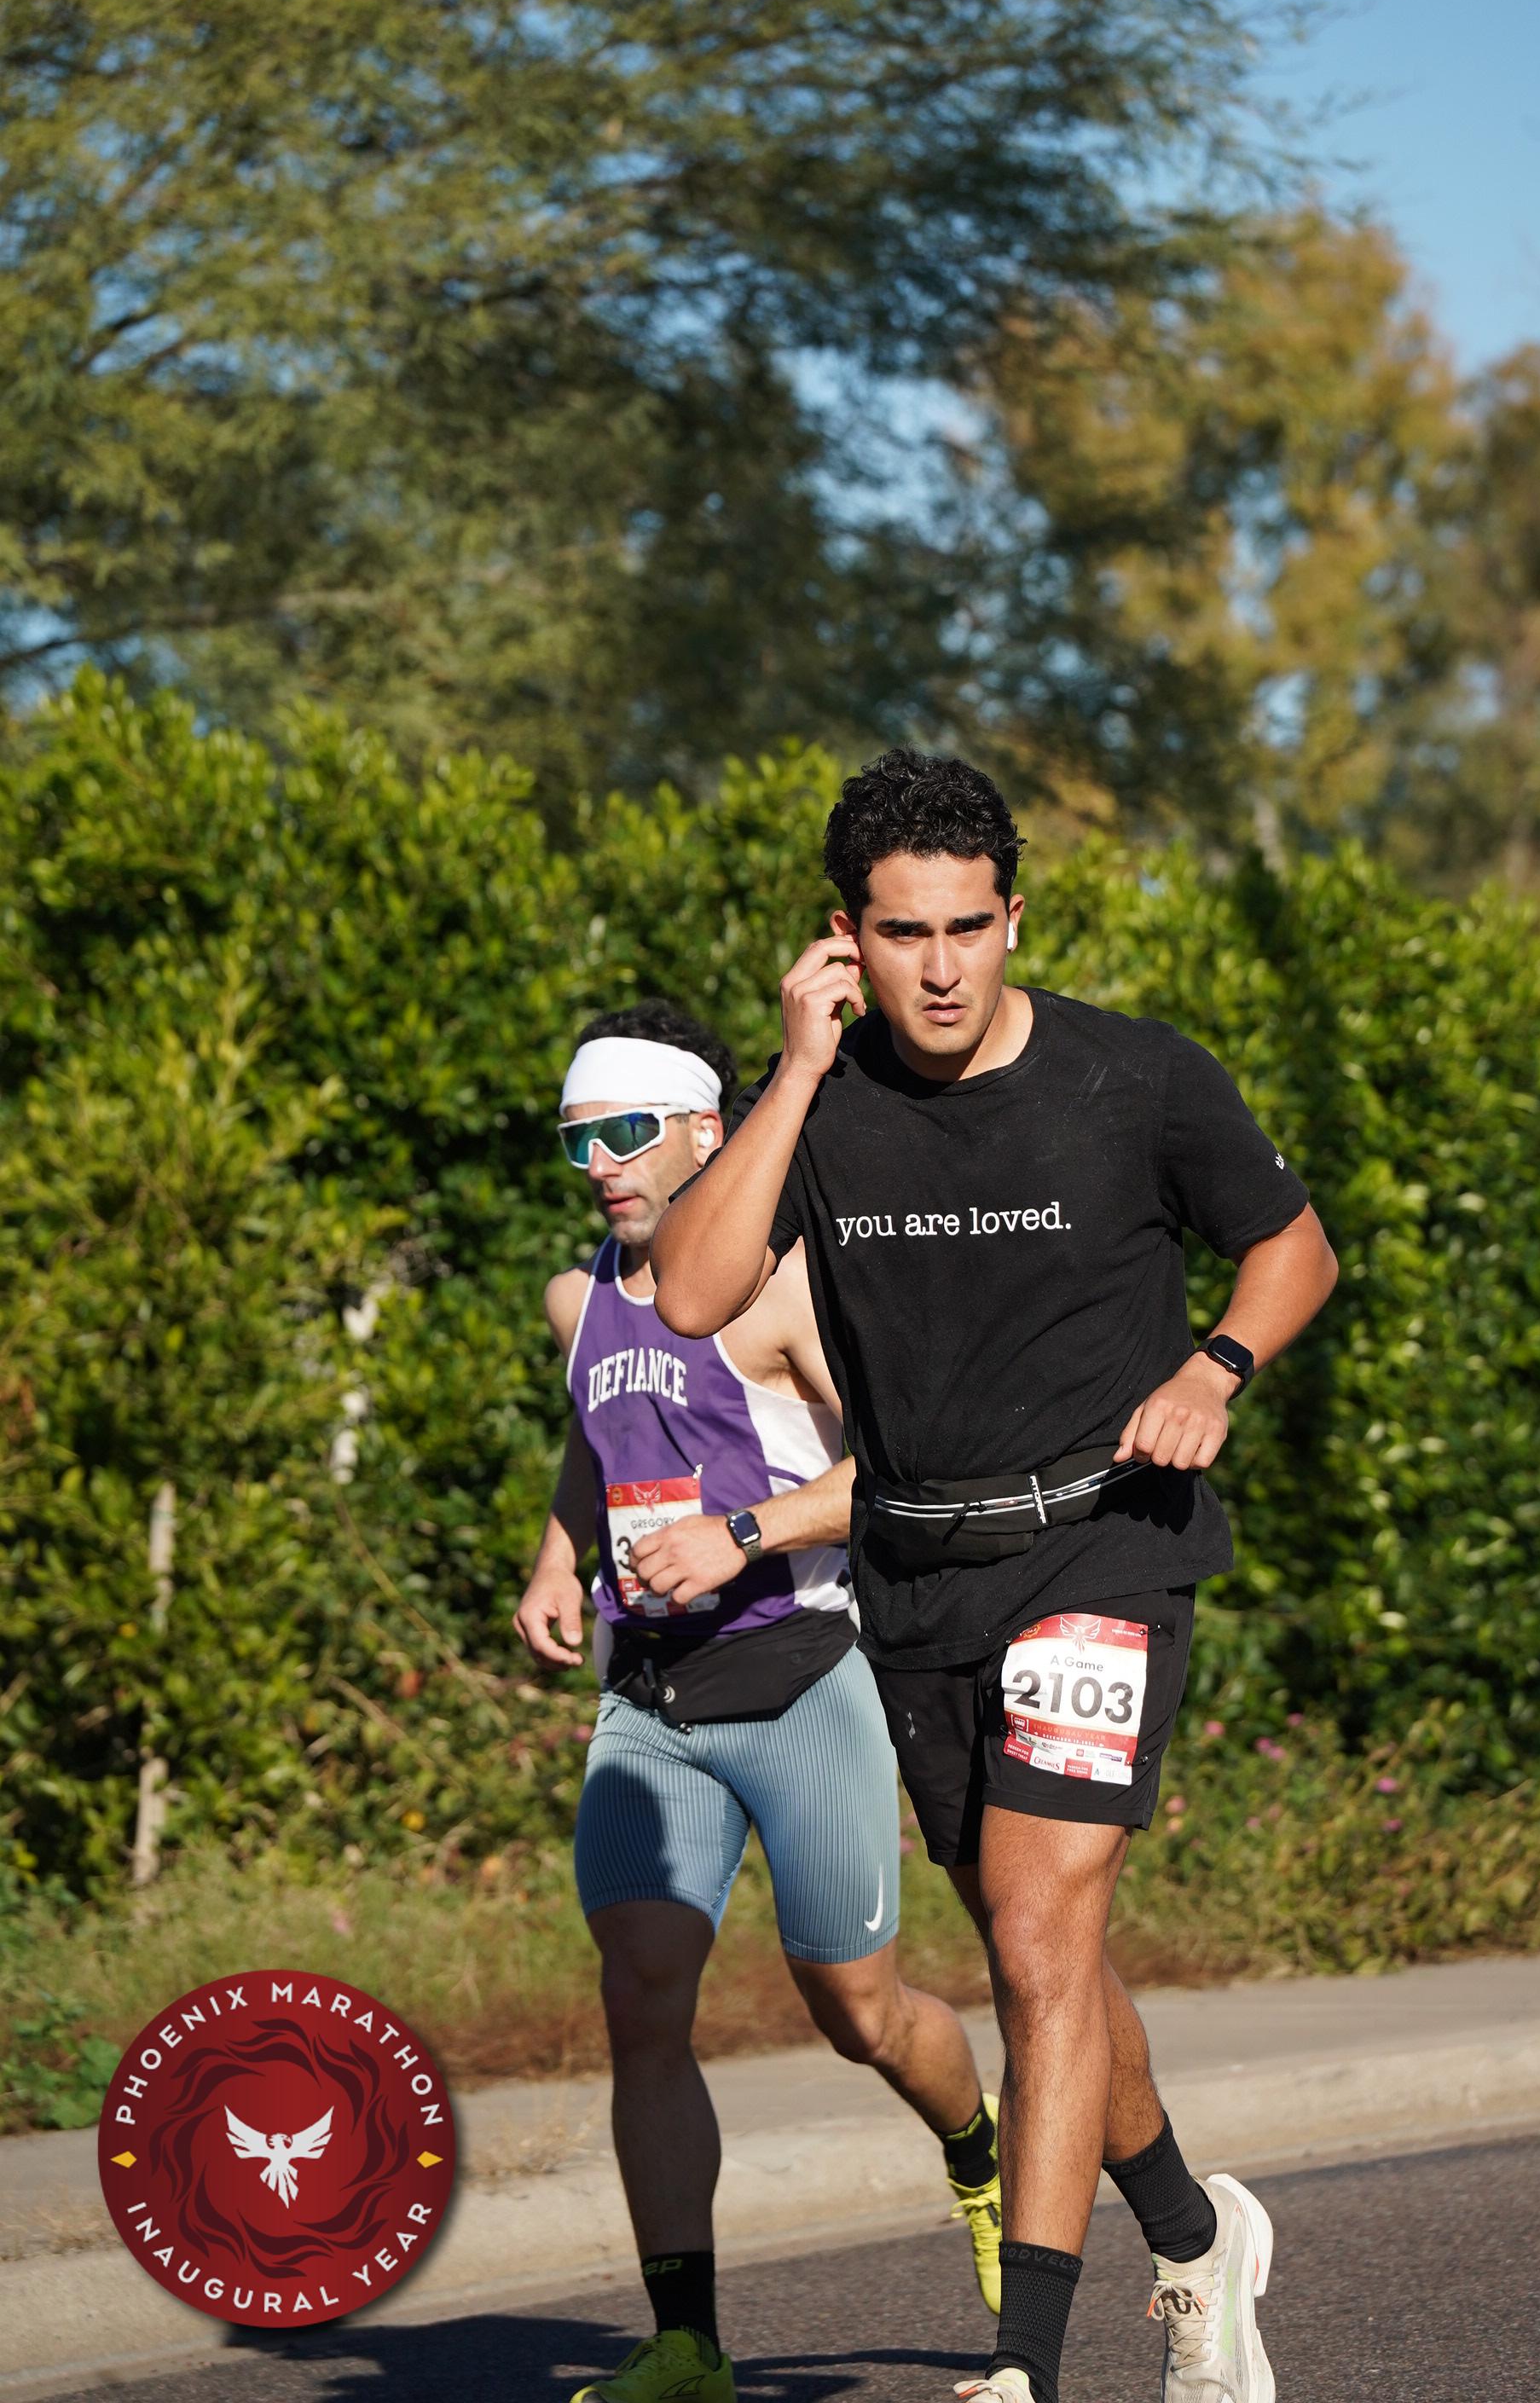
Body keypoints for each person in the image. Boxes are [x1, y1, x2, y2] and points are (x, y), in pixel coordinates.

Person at [653, 756, 1340, 2403]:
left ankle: (1022, 2364)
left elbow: (1296, 1245)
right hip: (917, 1576)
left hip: (1106, 1541)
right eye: (906, 935)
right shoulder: (818, 1104)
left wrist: (1218, 1368)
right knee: (1055, 1963)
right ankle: (1196, 2237)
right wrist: (794, 1073)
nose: (944, 967)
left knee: (1037, 1938)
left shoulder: (1136, 1076)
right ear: (846, 940)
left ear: (1013, 918)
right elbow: (687, 1294)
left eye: (971, 927)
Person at [514, 999, 1005, 2403]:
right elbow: (597, 1442)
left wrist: (740, 1536)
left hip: (797, 1680)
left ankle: (978, 2153)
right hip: (649, 1705)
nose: (601, 1165)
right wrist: (555, 1556)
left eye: (625, 1133)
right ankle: (687, 2345)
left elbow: (905, 1469)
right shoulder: (576, 1301)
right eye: (577, 1140)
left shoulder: (786, 1291)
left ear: (703, 1133)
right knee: (642, 2002)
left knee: (857, 2011)